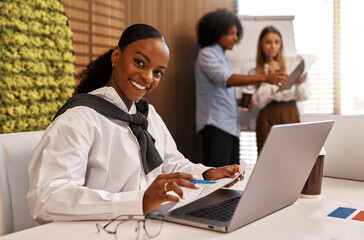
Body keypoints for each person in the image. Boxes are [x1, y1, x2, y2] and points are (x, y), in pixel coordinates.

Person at [26, 24, 243, 224]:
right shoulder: (79, 119)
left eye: (157, 72)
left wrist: (207, 174)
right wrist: (137, 202)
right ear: (117, 56)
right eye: (139, 62)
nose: (148, 78)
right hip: (98, 231)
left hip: (145, 226)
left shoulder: (146, 115)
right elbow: (48, 198)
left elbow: (171, 163)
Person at [195, 9, 287, 168]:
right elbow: (227, 79)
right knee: (219, 178)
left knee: (232, 175)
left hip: (230, 127)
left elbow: (219, 91)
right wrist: (265, 77)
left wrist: (238, 102)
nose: (235, 38)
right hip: (216, 125)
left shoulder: (222, 57)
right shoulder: (207, 54)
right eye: (231, 33)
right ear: (217, 31)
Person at [251, 25, 310, 154]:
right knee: (268, 158)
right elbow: (260, 102)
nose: (273, 46)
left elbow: (304, 96)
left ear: (281, 44)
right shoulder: (255, 71)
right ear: (261, 44)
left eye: (276, 42)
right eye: (268, 42)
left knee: (293, 155)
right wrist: (268, 78)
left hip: (290, 113)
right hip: (267, 116)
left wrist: (300, 83)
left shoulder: (292, 64)